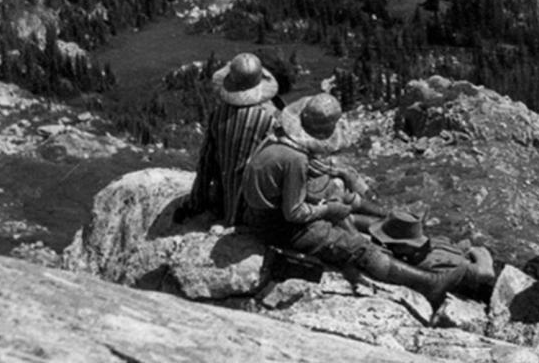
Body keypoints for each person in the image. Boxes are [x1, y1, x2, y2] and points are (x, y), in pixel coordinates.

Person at [239, 94, 464, 309]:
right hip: (279, 227)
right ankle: (429, 284)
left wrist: (332, 195)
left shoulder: (277, 139)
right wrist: (329, 209)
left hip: (262, 215)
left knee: (345, 211)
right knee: (357, 247)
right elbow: (294, 213)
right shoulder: (295, 159)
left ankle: (383, 235)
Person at [185, 52, 280, 226]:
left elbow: (206, 163)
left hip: (223, 202)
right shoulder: (269, 120)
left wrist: (196, 202)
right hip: (253, 208)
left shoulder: (218, 114)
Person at [368, 211, 498, 301]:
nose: (384, 246)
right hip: (479, 261)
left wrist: (474, 251)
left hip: (494, 284)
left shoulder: (433, 264)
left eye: (389, 244)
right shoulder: (433, 243)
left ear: (405, 246)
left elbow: (486, 273)